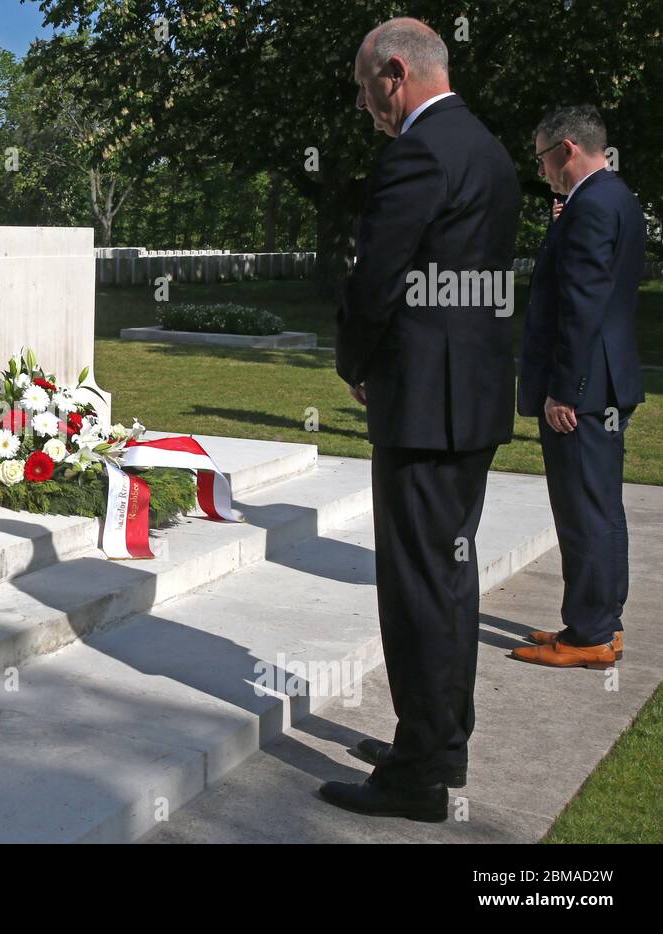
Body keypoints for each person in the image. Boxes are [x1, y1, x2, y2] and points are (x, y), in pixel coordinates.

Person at [323, 17, 520, 822]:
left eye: (367, 90)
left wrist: (356, 362)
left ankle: (418, 777)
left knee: (415, 588)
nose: (368, 108)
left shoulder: (418, 150)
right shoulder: (490, 150)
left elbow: (380, 276)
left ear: (395, 72)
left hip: (423, 407)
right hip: (467, 400)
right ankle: (437, 743)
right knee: (449, 578)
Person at [511, 105, 645, 670]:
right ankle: (598, 621)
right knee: (601, 506)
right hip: (607, 381)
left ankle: (590, 633)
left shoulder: (591, 205)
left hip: (584, 388)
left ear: (566, 149)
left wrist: (564, 389)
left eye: (542, 157)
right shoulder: (617, 197)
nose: (541, 169)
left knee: (583, 509)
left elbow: (580, 305)